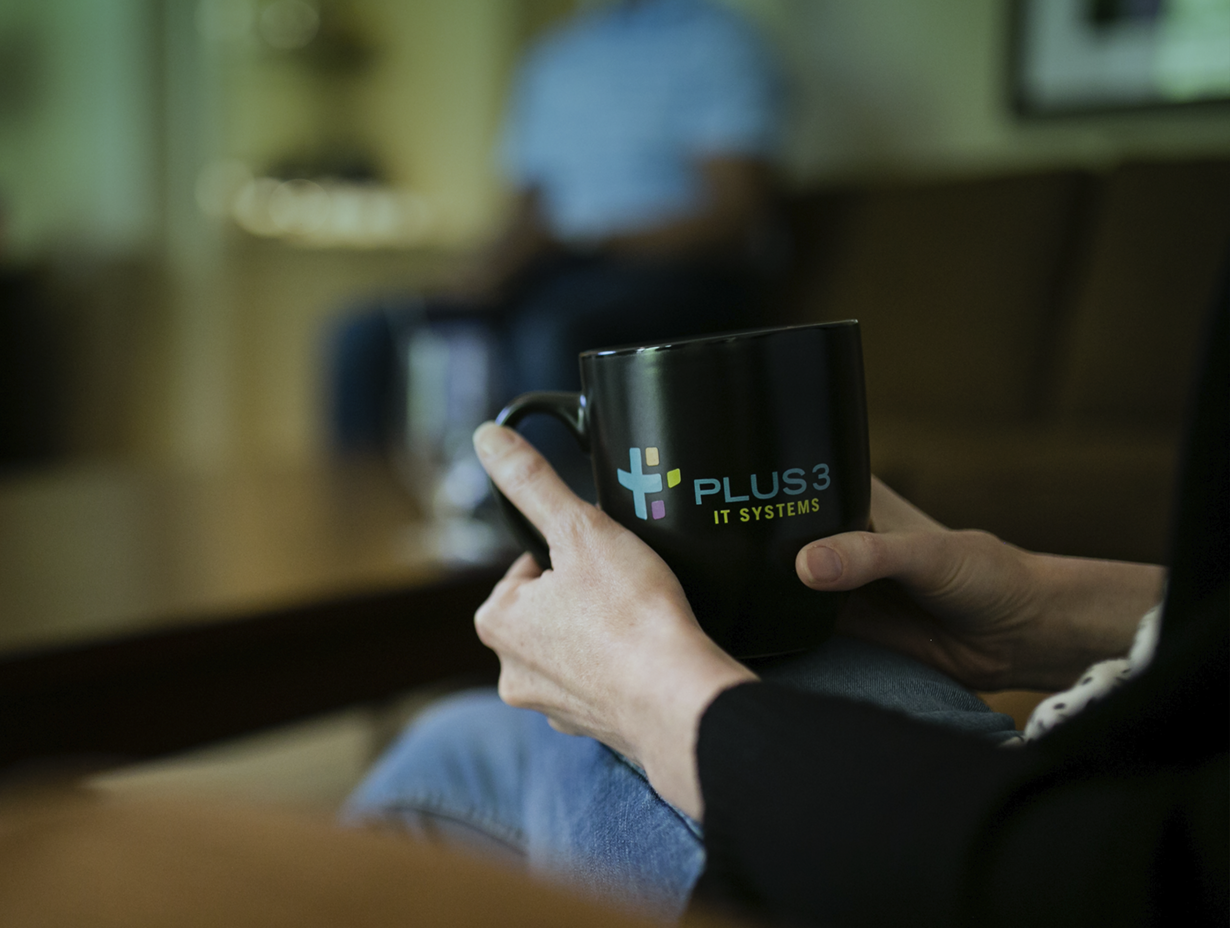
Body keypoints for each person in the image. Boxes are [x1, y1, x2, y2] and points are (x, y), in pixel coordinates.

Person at [346, 293, 1227, 924]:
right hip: (1109, 757)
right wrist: (1049, 613)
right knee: (454, 740)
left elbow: (1144, 876)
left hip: (1051, 846)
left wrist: (661, 703)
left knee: (462, 763)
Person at [329, 0, 781, 476]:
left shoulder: (714, 42)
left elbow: (734, 215)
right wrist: (480, 276)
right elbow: (527, 207)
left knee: (549, 331)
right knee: (367, 332)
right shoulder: (557, 57)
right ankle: (359, 512)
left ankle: (559, 512)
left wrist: (595, 243)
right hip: (557, 267)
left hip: (677, 275)